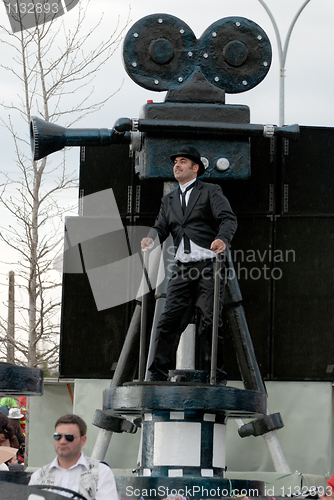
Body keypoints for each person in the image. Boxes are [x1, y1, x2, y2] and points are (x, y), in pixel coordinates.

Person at [141, 145, 237, 382]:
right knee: (168, 321)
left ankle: (215, 375)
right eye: (175, 161)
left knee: (210, 321)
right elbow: (161, 227)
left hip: (208, 265)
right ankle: (157, 373)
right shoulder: (169, 200)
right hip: (183, 268)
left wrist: (222, 238)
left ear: (195, 168)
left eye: (183, 161)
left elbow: (228, 218)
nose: (177, 165)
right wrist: (151, 239)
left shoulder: (210, 191)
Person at [29, 414, 118, 500]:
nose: (62, 441)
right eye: (58, 436)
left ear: (83, 440)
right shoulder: (38, 476)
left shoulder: (101, 472)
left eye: (69, 437)